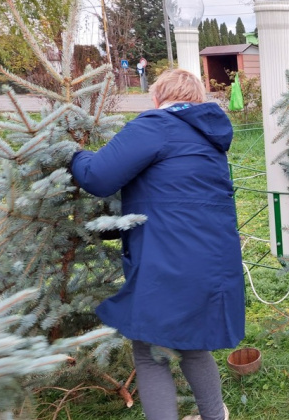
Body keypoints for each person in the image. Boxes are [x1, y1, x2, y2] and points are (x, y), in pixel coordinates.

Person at [71, 68, 245, 419]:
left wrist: (72, 154)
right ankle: (215, 415)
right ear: (197, 100)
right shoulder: (209, 139)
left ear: (157, 99)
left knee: (151, 351)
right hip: (212, 261)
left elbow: (98, 176)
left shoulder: (155, 125)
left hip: (168, 261)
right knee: (193, 345)